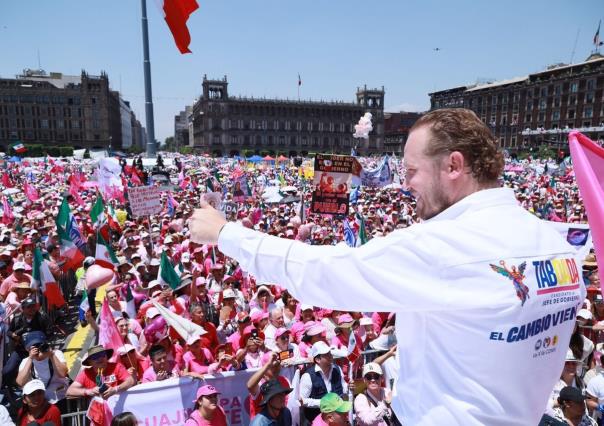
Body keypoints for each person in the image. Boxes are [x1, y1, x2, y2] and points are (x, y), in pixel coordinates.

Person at [190, 108, 585, 424]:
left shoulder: (445, 246)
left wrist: (226, 233)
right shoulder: (559, 246)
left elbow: (322, 271)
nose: (406, 184)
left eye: (412, 171)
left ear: (453, 165)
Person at [16, 331, 69, 408]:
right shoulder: (26, 361)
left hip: (59, 397)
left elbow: (62, 374)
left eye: (39, 345)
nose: (38, 349)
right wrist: (31, 358)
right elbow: (20, 382)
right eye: (34, 347)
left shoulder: (56, 354)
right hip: (39, 400)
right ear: (28, 349)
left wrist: (51, 355)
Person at [299, 341, 347, 424]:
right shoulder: (308, 376)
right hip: (316, 420)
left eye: (329, 353)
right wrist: (322, 403)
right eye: (326, 354)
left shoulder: (337, 369)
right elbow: (302, 400)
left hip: (336, 421)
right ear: (317, 359)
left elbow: (344, 389)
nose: (330, 356)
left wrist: (348, 389)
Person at [66, 345, 135, 399]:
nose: (100, 358)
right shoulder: (86, 373)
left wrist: (115, 389)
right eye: (95, 357)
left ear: (106, 356)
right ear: (90, 361)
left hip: (117, 406)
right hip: (98, 411)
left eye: (102, 354)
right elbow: (70, 391)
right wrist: (89, 391)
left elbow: (130, 381)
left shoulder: (117, 366)